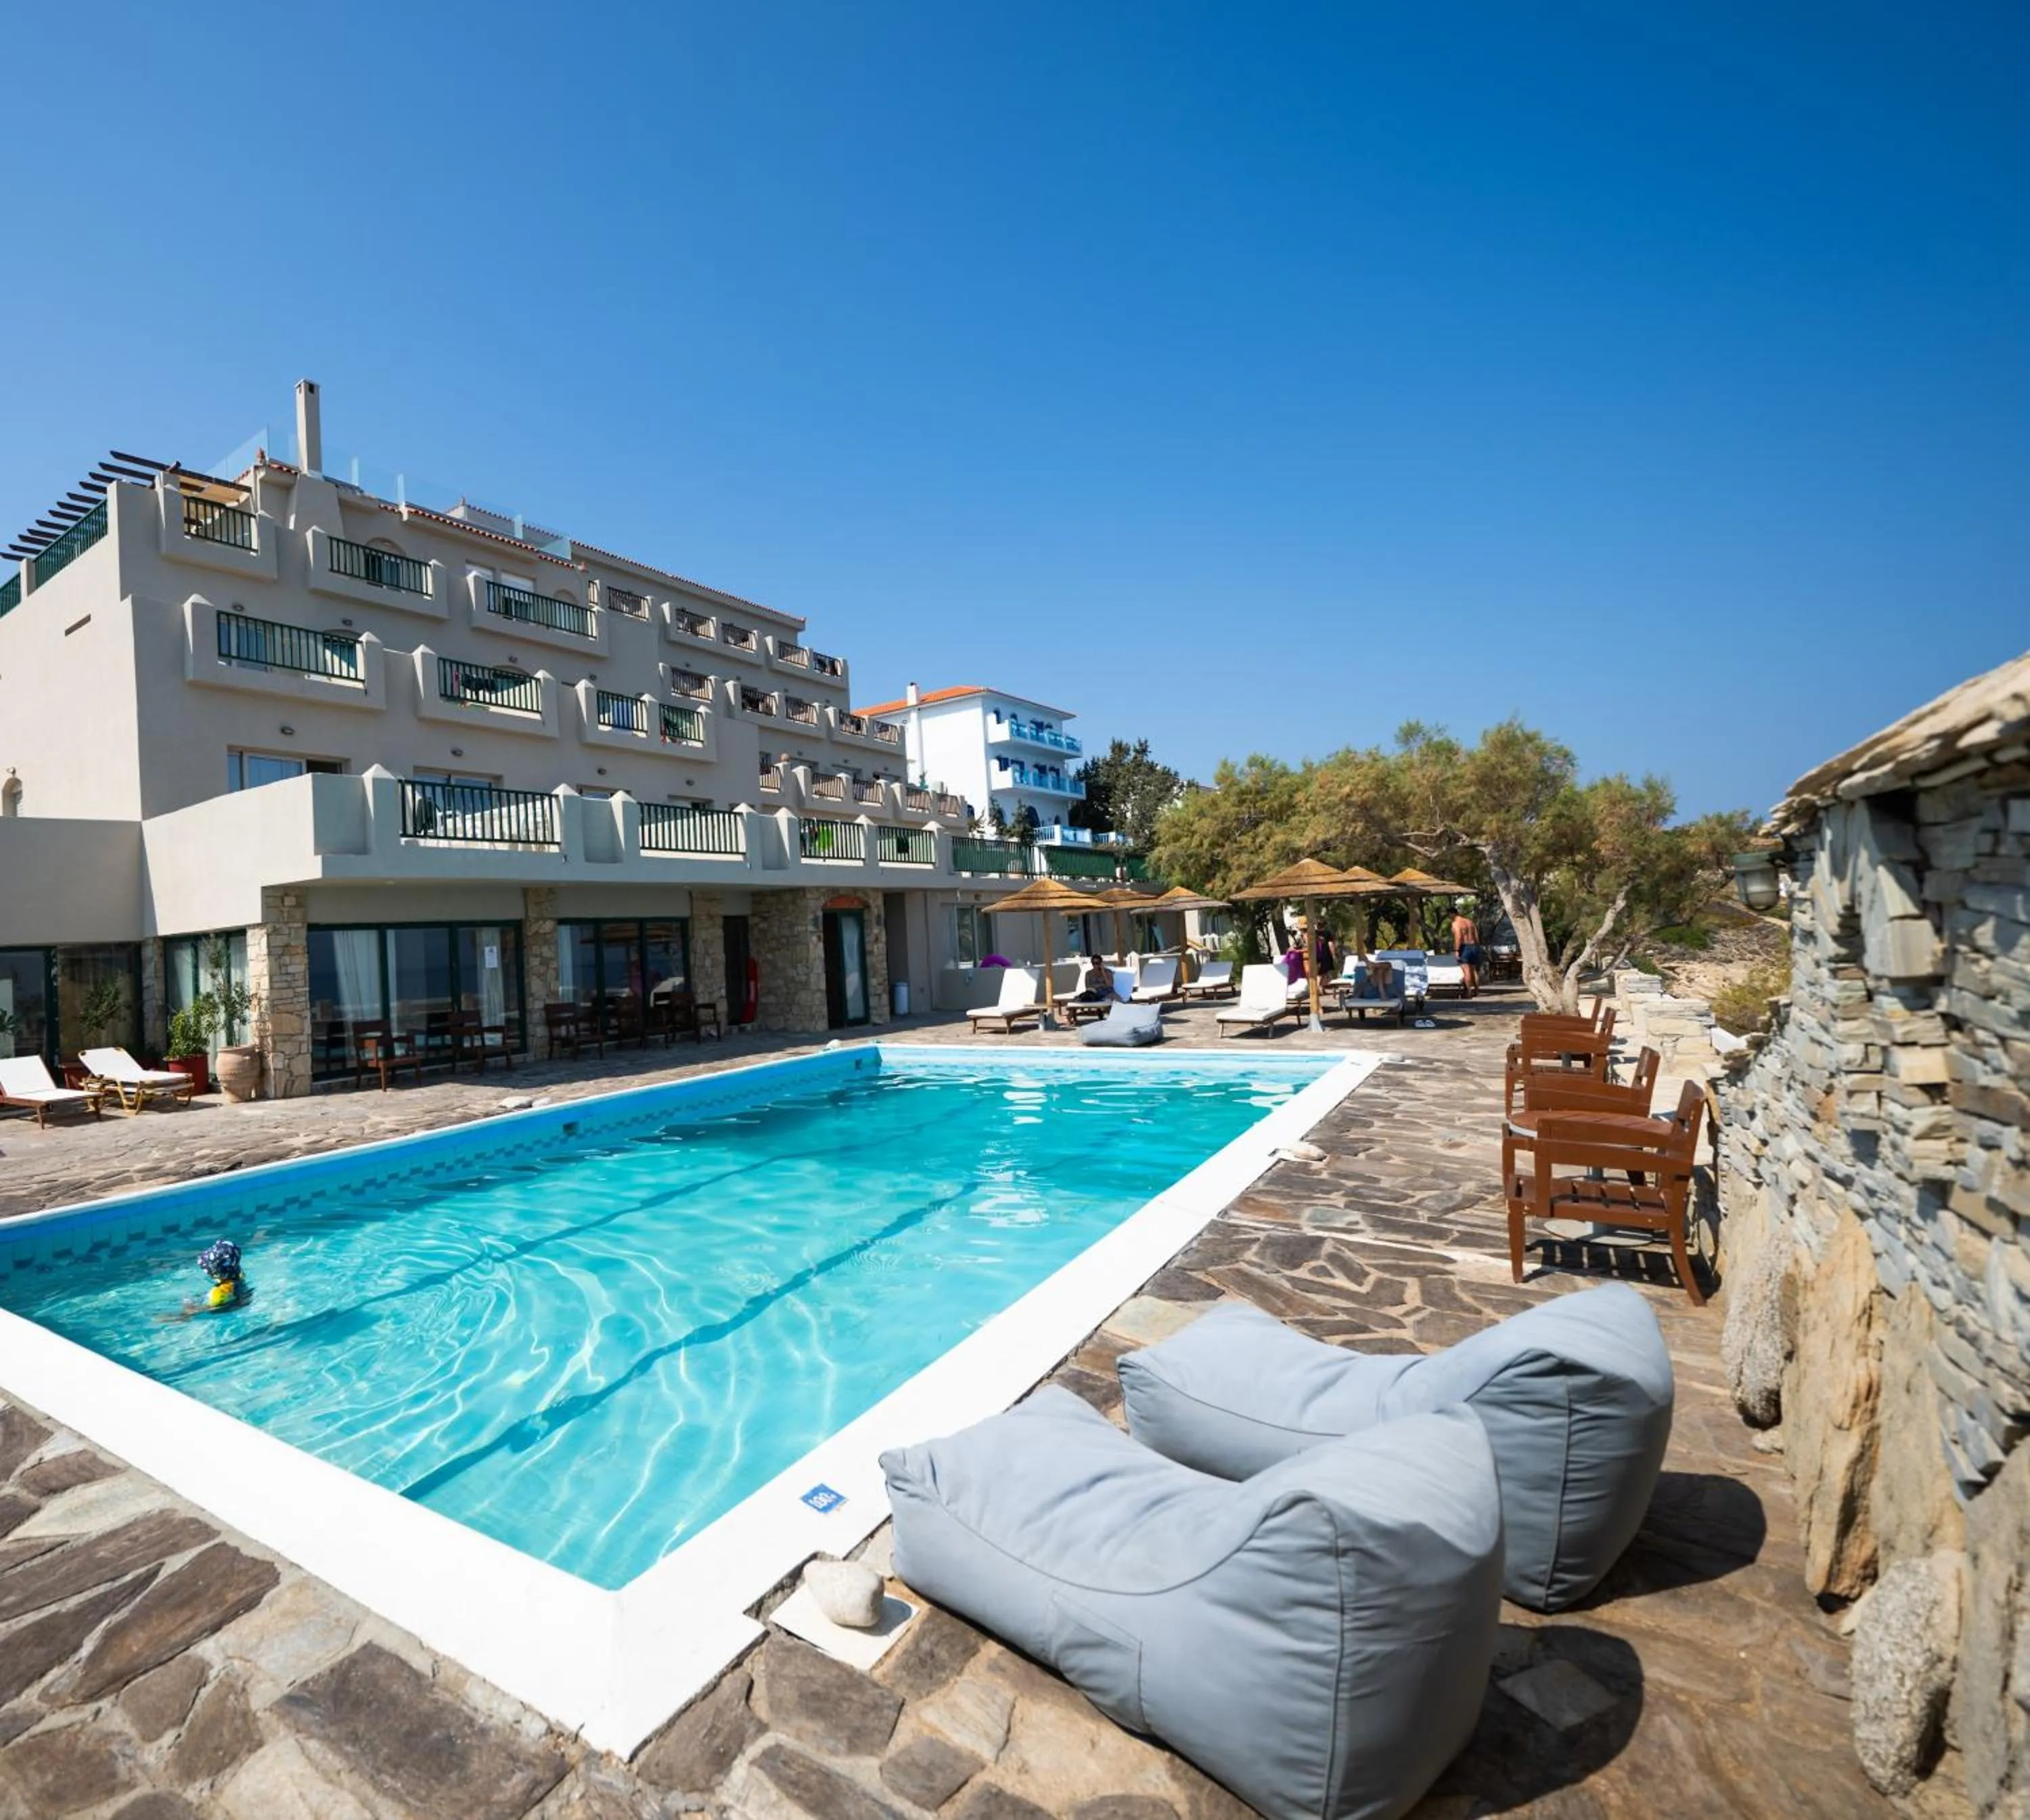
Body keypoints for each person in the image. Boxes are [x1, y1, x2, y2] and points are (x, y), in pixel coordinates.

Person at [1451, 907, 1483, 998]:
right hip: (1474, 946)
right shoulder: (1470, 922)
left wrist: (1456, 950)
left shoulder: (1456, 923)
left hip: (1464, 947)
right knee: (1474, 970)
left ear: (1452, 914)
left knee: (1466, 970)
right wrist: (1477, 947)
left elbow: (1458, 937)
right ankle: (1477, 991)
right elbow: (1476, 936)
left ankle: (1468, 992)